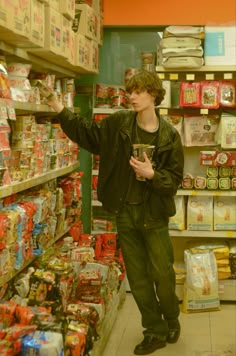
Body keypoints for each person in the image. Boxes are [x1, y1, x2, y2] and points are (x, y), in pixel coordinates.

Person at [47, 70, 184, 355]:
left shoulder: (169, 135)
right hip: (125, 212)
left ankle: (171, 317)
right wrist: (61, 110)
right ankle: (154, 331)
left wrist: (152, 174)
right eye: (129, 91)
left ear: (154, 95)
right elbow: (88, 134)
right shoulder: (119, 123)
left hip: (154, 215)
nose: (130, 96)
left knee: (163, 274)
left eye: (138, 91)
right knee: (138, 276)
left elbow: (174, 180)